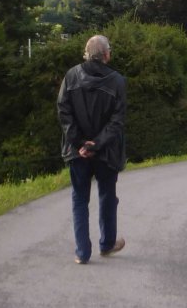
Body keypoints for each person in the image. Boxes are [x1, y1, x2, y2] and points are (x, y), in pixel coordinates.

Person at [57, 33, 127, 264]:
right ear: (107, 54)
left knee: (79, 199)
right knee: (107, 196)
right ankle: (107, 244)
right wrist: (95, 144)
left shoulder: (71, 76)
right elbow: (117, 122)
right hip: (106, 152)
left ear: (86, 54)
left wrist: (79, 144)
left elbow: (63, 112)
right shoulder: (117, 81)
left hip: (78, 153)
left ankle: (82, 253)